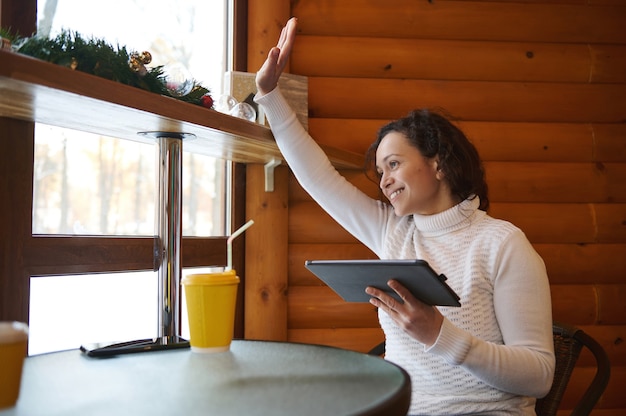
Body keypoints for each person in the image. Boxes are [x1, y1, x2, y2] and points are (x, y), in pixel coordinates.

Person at [255, 17, 555, 415]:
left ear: (439, 164)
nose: (384, 181)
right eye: (380, 171)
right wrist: (270, 95)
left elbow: (539, 375)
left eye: (394, 164)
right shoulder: (393, 232)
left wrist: (439, 334)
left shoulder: (501, 243)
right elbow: (317, 178)